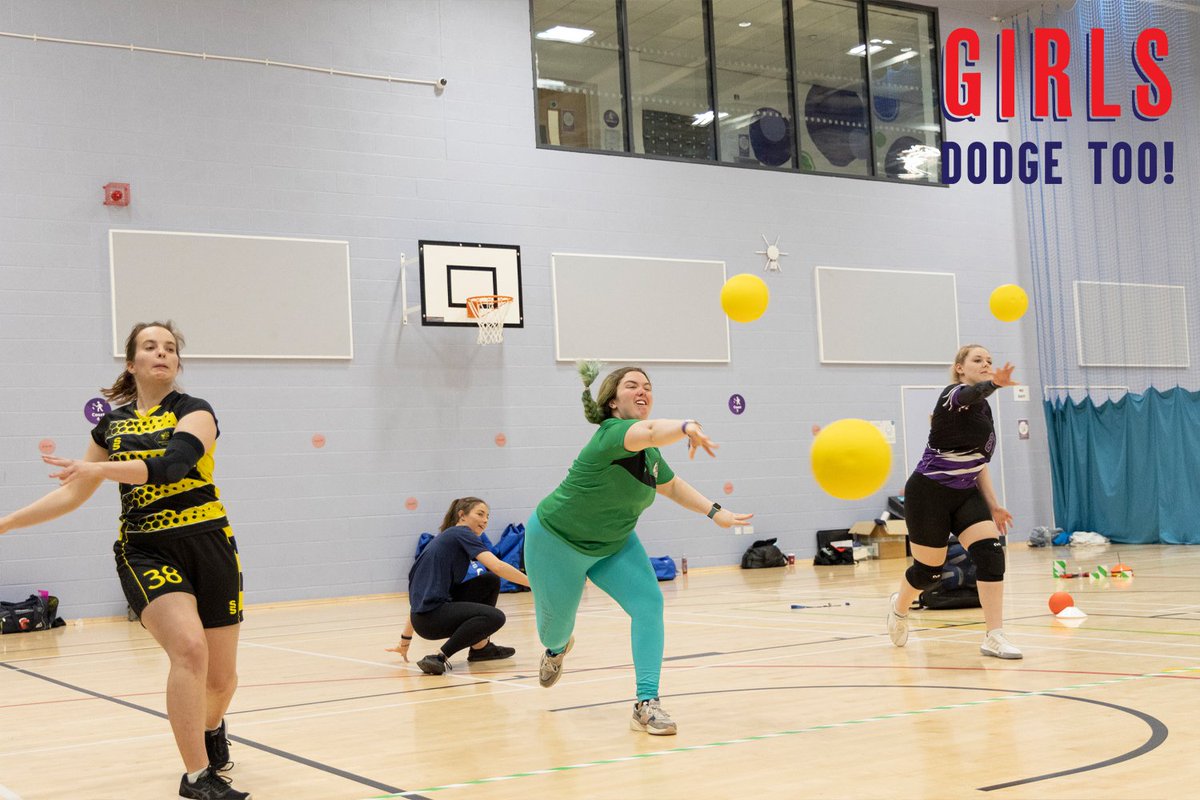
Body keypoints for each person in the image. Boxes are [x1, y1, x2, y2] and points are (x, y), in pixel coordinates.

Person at [0, 321, 250, 799]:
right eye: (150, 347)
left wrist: (98, 467)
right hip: (145, 547)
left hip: (210, 544)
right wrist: (8, 523)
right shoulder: (110, 426)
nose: (162, 353)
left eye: (171, 348)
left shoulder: (196, 412)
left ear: (177, 364)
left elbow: (172, 464)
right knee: (189, 651)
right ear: (132, 364)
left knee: (221, 680)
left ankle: (210, 727)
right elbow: (73, 493)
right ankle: (197, 777)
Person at [525, 363, 753, 735]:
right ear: (614, 402)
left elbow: (672, 486)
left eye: (647, 386)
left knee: (649, 605)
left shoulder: (649, 454)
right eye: (632, 386)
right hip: (556, 542)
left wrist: (716, 512)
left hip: (614, 545)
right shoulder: (612, 434)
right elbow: (648, 429)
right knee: (554, 632)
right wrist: (685, 426)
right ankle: (556, 650)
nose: (642, 391)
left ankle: (646, 703)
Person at [886, 344, 1022, 660]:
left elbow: (978, 462)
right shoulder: (953, 395)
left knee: (990, 553)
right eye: (978, 360)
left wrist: (994, 504)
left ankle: (994, 636)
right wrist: (994, 384)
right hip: (928, 494)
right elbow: (969, 395)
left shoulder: (984, 411)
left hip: (965, 493)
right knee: (928, 574)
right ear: (960, 367)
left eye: (990, 360)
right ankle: (899, 607)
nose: (986, 363)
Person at [388, 497, 530, 675]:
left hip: (424, 618)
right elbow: (498, 565)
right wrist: (534, 583)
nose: (485, 520)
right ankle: (439, 657)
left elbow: (419, 597)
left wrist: (405, 640)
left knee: (488, 580)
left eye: (487, 516)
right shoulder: (461, 533)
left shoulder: (446, 541)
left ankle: (480, 648)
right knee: (496, 617)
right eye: (480, 514)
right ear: (461, 515)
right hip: (431, 618)